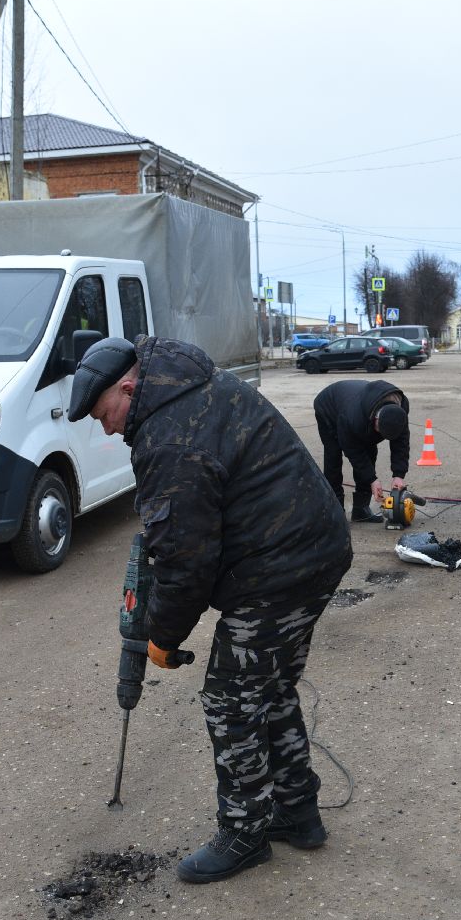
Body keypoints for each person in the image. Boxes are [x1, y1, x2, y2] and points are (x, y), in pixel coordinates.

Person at [67, 336, 353, 884]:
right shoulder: (192, 384)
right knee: (270, 688)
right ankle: (297, 812)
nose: (106, 429)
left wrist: (163, 636)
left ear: (127, 386)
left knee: (230, 699)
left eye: (104, 415)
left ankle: (246, 831)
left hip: (278, 570)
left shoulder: (169, 438)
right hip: (314, 548)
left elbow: (186, 559)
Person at [312, 379, 410, 523]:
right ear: (376, 419)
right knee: (333, 457)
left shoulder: (400, 412)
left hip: (359, 408)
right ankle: (336, 512)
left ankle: (360, 509)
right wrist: (372, 479)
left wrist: (399, 475)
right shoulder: (352, 417)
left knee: (370, 451)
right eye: (379, 431)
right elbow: (354, 452)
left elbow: (401, 443)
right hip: (328, 407)